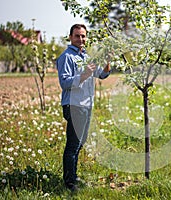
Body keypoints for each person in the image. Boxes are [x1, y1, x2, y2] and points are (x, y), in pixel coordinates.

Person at [56, 24, 111, 192]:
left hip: (87, 105)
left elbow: (102, 74)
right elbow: (64, 83)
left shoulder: (86, 57)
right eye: (77, 36)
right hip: (74, 105)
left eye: (83, 36)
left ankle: (73, 176)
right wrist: (84, 74)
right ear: (70, 37)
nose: (81, 39)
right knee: (73, 144)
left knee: (80, 143)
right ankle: (69, 183)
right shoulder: (67, 57)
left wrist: (108, 61)